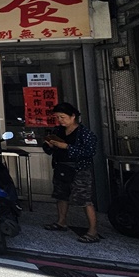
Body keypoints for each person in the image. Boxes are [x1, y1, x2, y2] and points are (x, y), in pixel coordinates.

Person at [42, 102, 101, 243]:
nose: (60, 120)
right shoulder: (57, 131)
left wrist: (67, 146)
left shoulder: (85, 133)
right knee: (61, 196)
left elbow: (89, 152)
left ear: (73, 116)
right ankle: (61, 222)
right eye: (58, 117)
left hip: (79, 169)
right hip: (61, 167)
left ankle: (93, 231)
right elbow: (48, 150)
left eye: (63, 117)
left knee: (84, 199)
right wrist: (49, 145)